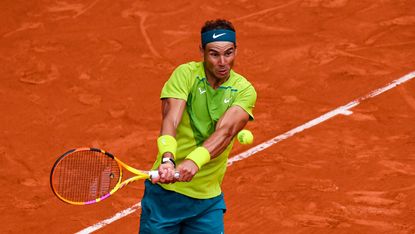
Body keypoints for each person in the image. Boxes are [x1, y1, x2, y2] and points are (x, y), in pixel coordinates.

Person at [139, 19, 257, 234]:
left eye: (229, 53)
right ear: (202, 51)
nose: (223, 62)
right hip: (165, 197)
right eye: (214, 54)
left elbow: (227, 132)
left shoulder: (244, 90)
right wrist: (168, 158)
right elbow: (171, 118)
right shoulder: (186, 74)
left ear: (236, 50)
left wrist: (195, 160)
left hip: (207, 200)